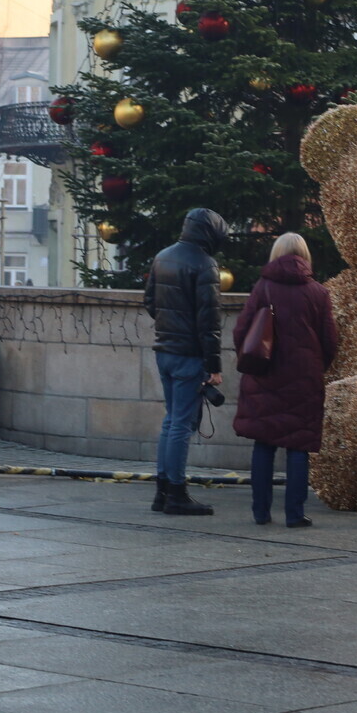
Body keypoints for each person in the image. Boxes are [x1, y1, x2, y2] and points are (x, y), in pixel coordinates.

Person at [233, 233, 339, 527]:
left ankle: (260, 512)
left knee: (264, 444)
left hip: (264, 377)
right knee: (299, 447)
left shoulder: (262, 287)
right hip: (304, 379)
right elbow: (330, 341)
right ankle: (294, 513)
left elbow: (241, 331)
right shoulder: (319, 292)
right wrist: (316, 366)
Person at [144, 207, 228, 516]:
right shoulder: (205, 264)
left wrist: (171, 328)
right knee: (181, 424)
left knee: (171, 421)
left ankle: (163, 492)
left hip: (164, 351)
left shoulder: (163, 256)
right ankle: (176, 494)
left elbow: (150, 301)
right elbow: (210, 321)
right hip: (188, 355)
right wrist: (214, 366)